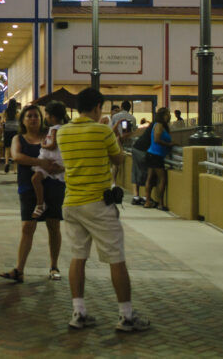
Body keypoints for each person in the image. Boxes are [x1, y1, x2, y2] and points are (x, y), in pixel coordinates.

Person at [59, 87, 150, 332]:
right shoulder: (101, 130)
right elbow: (118, 159)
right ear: (98, 106)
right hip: (98, 204)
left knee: (78, 257)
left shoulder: (63, 132)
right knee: (116, 259)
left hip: (71, 203)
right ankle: (126, 316)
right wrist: (114, 138)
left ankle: (79, 312)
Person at [0, 102, 65, 284]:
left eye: (36, 115)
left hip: (54, 184)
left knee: (53, 225)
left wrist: (58, 167)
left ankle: (54, 266)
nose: (33, 119)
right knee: (28, 227)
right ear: (23, 120)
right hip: (28, 187)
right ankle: (19, 269)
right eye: (29, 116)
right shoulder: (18, 139)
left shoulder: (51, 134)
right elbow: (17, 157)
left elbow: (65, 153)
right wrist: (41, 162)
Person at [30, 102, 66, 220]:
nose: (45, 117)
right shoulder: (60, 129)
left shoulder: (55, 129)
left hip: (50, 159)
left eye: (46, 115)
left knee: (35, 179)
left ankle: (40, 203)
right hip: (53, 159)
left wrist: (43, 145)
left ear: (53, 117)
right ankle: (40, 204)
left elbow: (53, 145)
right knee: (36, 179)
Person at [144, 107, 172, 210]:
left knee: (150, 178)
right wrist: (169, 144)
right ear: (163, 115)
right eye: (168, 113)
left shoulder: (157, 125)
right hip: (156, 155)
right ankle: (161, 203)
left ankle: (147, 201)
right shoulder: (159, 125)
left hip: (151, 154)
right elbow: (157, 139)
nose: (169, 115)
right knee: (162, 179)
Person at [129, 120, 151, 205]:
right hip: (143, 151)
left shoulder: (145, 128)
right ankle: (145, 197)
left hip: (136, 148)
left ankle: (136, 196)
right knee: (147, 173)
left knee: (136, 171)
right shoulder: (153, 127)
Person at [1, 100, 20, 173]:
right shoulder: (17, 112)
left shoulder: (5, 112)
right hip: (15, 131)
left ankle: (6, 163)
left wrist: (3, 129)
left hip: (7, 131)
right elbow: (19, 122)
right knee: (15, 149)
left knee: (7, 149)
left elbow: (2, 121)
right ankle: (15, 169)